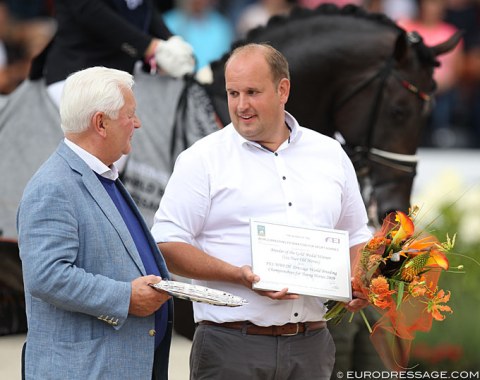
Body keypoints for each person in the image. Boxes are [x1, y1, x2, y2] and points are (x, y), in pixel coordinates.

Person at [151, 43, 372, 379]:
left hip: (311, 344)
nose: (241, 106)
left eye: (252, 92)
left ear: (283, 89)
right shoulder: (202, 159)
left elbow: (357, 235)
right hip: (231, 345)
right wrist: (240, 275)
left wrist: (359, 279)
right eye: (232, 93)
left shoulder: (330, 153)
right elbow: (166, 245)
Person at [17, 66, 173, 380]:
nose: (137, 123)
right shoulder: (54, 185)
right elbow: (46, 275)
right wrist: (125, 298)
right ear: (100, 123)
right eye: (130, 114)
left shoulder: (101, 175)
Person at [32, 0, 195, 106]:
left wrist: (171, 41)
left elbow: (144, 7)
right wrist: (151, 47)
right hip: (81, 71)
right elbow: (91, 11)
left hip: (126, 69)